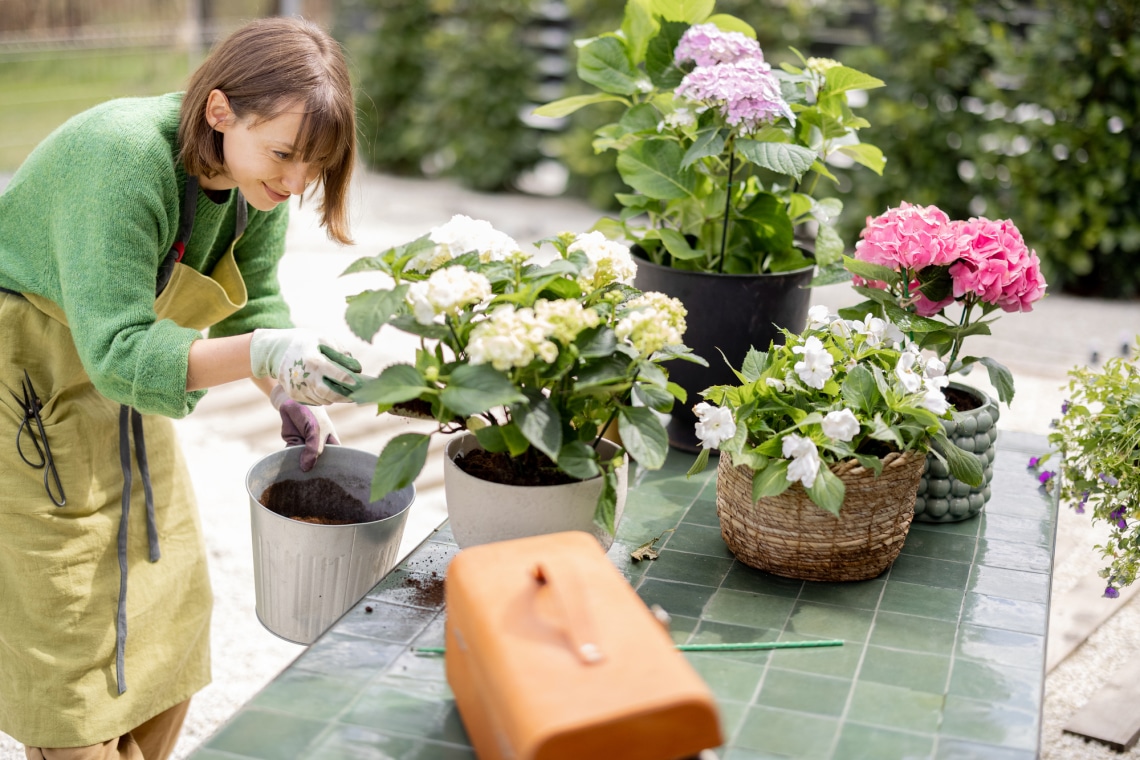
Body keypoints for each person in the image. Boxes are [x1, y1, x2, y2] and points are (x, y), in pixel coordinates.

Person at [0, 16, 362, 760]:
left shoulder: (251, 182)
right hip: (26, 366)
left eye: (314, 168)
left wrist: (283, 390)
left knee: (161, 565)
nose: (294, 183)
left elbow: (255, 298)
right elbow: (122, 350)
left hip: (127, 363)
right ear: (221, 111)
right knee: (63, 590)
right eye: (285, 154)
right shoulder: (123, 158)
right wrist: (265, 351)